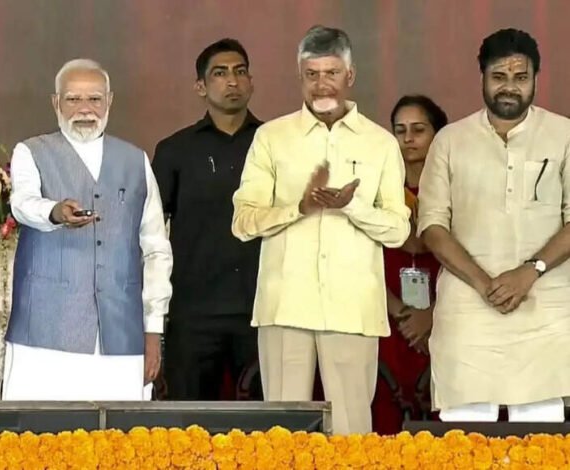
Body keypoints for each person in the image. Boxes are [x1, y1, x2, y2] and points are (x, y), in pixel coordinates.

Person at [231, 25, 410, 434]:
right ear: (300, 76)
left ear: (350, 75)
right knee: (282, 433)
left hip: (352, 307)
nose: (321, 84)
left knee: (351, 432)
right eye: (312, 74)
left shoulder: (380, 143)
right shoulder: (271, 137)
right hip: (285, 305)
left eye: (331, 73)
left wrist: (352, 207)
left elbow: (398, 230)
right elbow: (242, 221)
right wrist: (298, 208)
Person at [419, 28, 570, 422]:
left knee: (542, 441)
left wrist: (529, 271)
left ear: (536, 78)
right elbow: (432, 226)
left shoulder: (564, 135)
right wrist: (484, 283)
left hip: (546, 311)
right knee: (463, 440)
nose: (509, 87)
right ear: (483, 77)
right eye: (499, 76)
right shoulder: (450, 140)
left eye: (520, 77)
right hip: (468, 313)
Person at [2, 58, 172, 401]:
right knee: (38, 431)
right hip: (44, 334)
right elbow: (22, 203)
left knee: (120, 433)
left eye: (94, 99)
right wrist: (54, 212)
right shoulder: (31, 152)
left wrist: (153, 330)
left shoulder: (136, 161)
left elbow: (156, 248)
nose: (84, 109)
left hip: (121, 336)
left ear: (110, 101)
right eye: (73, 99)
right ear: (56, 103)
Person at [153, 39, 262, 401]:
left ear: (251, 82)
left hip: (260, 309)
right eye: (220, 73)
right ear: (200, 86)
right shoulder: (175, 150)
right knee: (189, 420)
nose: (232, 81)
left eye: (240, 71)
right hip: (193, 312)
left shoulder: (274, 145)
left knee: (266, 422)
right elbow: (151, 231)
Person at [371, 95, 447, 434]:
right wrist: (401, 313)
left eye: (419, 130)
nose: (408, 139)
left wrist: (431, 314)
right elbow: (361, 258)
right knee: (387, 412)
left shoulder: (455, 188)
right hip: (389, 315)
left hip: (444, 315)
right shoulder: (378, 190)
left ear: (438, 135)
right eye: (400, 130)